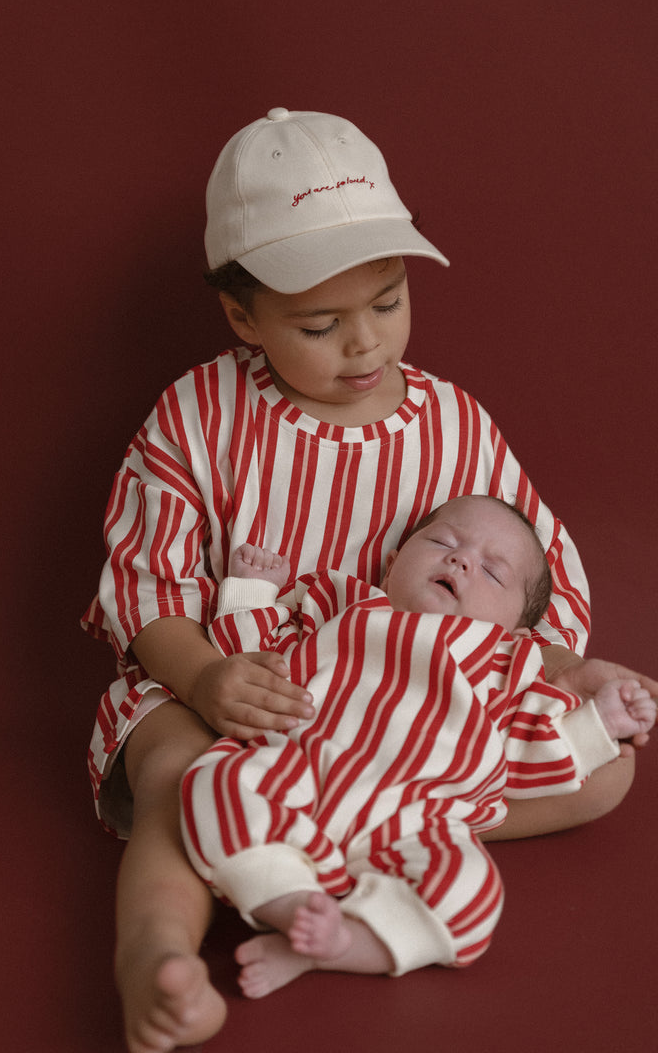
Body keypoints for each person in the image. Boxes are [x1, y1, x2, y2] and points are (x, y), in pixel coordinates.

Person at [82, 108, 658, 1053]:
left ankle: (364, 823)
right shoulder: (197, 417)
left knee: (608, 775)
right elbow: (144, 588)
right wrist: (202, 678)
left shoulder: (455, 427)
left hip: (404, 720)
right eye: (319, 323)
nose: (364, 347)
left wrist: (577, 678)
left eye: (387, 303)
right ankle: (156, 951)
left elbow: (523, 585)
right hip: (237, 690)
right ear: (242, 315)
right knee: (175, 774)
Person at [181, 496, 656, 997]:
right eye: (442, 542)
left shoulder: (508, 668)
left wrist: (600, 723)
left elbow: (532, 743)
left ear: (517, 628)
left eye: (492, 572)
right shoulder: (341, 602)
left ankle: (348, 941)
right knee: (216, 783)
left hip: (414, 818)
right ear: (392, 566)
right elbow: (255, 661)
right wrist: (251, 594)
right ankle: (290, 903)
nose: (462, 560)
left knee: (471, 891)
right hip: (298, 768)